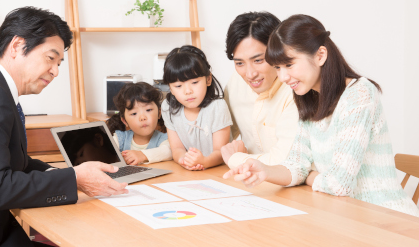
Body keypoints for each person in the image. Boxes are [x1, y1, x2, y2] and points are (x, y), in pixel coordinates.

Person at [0, 7, 128, 247]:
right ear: (17, 46)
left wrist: (64, 174)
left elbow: (11, 161)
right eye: (51, 58)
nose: (56, 71)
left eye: (59, 63)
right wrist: (75, 179)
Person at [224, 14, 419, 217]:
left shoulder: (359, 94)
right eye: (278, 68)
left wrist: (309, 175)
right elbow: (297, 165)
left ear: (320, 55)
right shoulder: (309, 98)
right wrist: (265, 170)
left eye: (289, 65)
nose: (282, 77)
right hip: (346, 217)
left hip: (388, 220)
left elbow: (338, 184)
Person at [222, 12, 299, 168]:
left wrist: (236, 159)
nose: (250, 74)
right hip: (250, 181)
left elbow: (287, 162)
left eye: (258, 60)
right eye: (239, 63)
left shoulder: (296, 89)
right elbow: (222, 138)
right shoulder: (236, 82)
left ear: (278, 51)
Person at [161, 45, 232, 170]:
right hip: (191, 173)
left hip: (219, 170)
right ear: (170, 88)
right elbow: (177, 148)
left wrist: (204, 161)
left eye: (194, 82)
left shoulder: (217, 107)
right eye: (178, 86)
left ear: (208, 79)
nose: (188, 91)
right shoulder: (168, 108)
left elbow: (221, 152)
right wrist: (184, 160)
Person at [106, 82, 172, 165]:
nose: (142, 118)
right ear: (125, 121)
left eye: (148, 110)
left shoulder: (163, 139)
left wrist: (142, 155)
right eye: (134, 114)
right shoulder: (120, 139)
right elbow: (104, 151)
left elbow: (169, 151)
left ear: (159, 113)